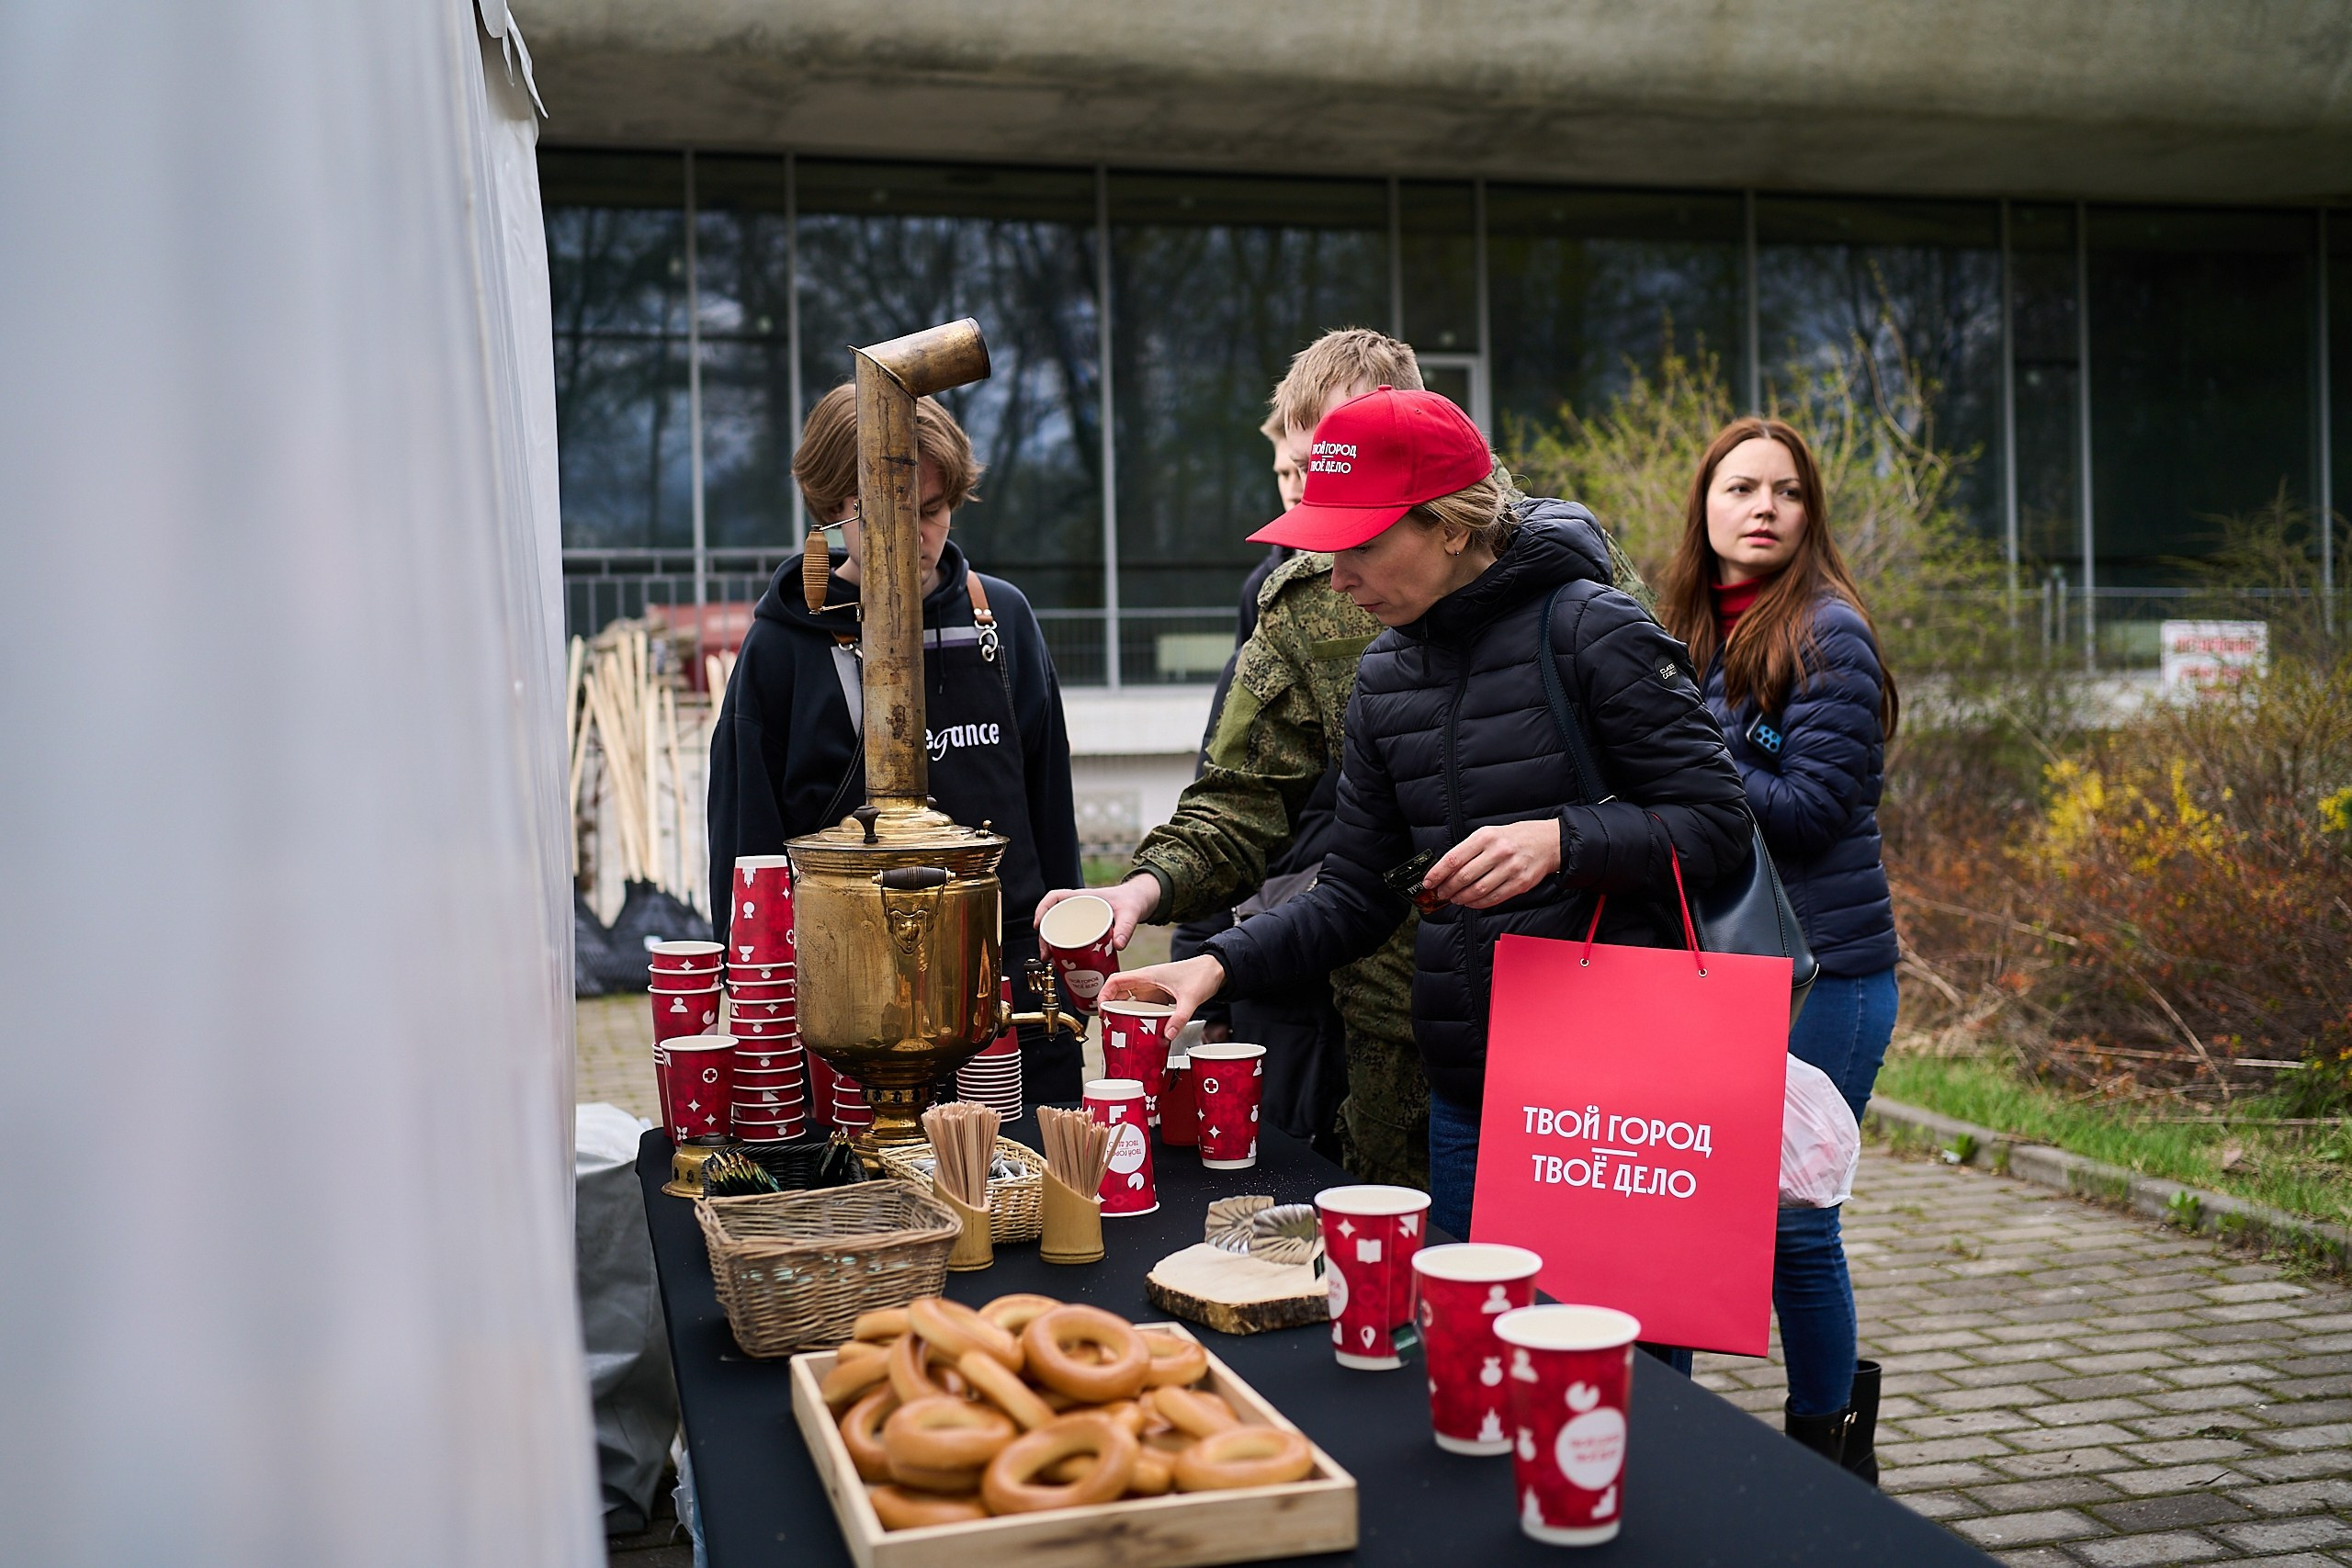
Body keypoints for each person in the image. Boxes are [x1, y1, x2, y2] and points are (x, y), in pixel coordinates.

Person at [1106, 386, 1752, 1248]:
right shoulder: (1384, 678)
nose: (1339, 579)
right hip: (1466, 1083)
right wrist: (1212, 968)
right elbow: (1353, 896)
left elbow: (1717, 823)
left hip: (1614, 1082)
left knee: (1618, 1363)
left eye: (1363, 545)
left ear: (1451, 525)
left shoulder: (1593, 629)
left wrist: (1560, 841)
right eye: (1326, 549)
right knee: (1471, 1348)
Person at [1041, 329, 1431, 1186]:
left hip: (1548, 1019)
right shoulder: (1296, 605)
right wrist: (1141, 895)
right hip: (1359, 1013)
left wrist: (1563, 840)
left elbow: (1691, 804)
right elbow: (1238, 800)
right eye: (1298, 471)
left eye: (1335, 464)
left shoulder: (1561, 580)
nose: (1318, 515)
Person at [707, 384, 1085, 1100]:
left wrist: (1069, 956)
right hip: (855, 1017)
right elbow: (746, 857)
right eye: (885, 511)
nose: (911, 533)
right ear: (831, 508)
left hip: (1010, 1001)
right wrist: (762, 1021)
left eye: (932, 511)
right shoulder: (780, 650)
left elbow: (1051, 812)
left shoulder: (999, 621)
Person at [1657, 418, 1900, 1483]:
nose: (1762, 508)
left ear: (1810, 514)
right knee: (1677, 1207)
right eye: (1740, 487)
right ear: (1703, 506)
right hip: (1710, 976)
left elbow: (1806, 810)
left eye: (1785, 493)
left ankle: (1831, 1460)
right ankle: (1658, 1438)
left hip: (1827, 975)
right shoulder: (1682, 630)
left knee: (1793, 1224)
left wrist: (1690, 751)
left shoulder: (1828, 633)